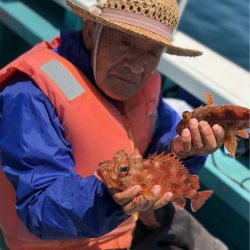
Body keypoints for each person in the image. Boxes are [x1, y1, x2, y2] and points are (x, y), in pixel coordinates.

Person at [0, 0, 227, 249]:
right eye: (124, 42)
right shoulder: (29, 94)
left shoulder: (146, 81)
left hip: (136, 216)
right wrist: (108, 197)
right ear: (91, 32)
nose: (136, 66)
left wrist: (184, 149)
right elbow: (39, 208)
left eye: (152, 52)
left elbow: (161, 135)